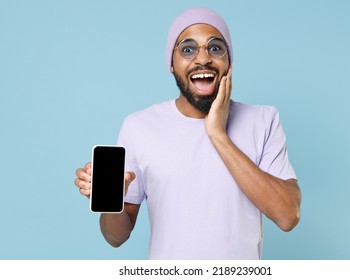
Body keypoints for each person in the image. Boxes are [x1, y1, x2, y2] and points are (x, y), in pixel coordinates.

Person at [74, 6, 301, 260]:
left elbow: (287, 215)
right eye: (188, 49)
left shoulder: (263, 120)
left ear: (229, 62)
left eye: (215, 48)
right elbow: (116, 237)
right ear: (172, 64)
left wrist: (218, 134)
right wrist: (110, 202)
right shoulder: (139, 127)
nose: (202, 59)